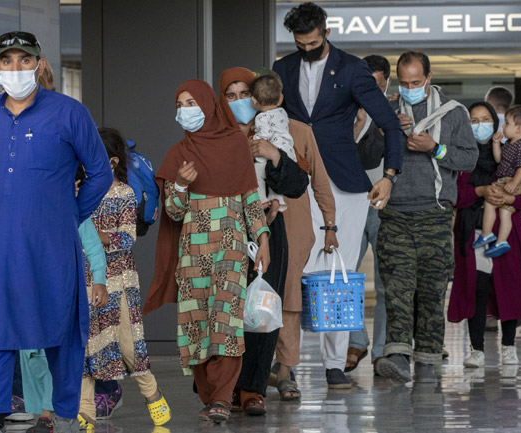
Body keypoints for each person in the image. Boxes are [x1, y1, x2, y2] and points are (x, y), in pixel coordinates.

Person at [0, 31, 112, 433]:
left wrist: (68, 215)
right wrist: (6, 210)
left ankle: (65, 413)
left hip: (51, 245)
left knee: (60, 326)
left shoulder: (69, 113)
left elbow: (101, 173)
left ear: (40, 64)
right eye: (8, 61)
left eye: (25, 60)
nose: (17, 69)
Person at [273, 1, 403, 389]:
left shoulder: (352, 68)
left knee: (339, 276)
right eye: (300, 44)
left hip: (346, 186)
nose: (307, 50)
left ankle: (334, 366)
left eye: (313, 43)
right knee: (291, 270)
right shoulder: (283, 68)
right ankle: (286, 364)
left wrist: (390, 176)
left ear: (326, 33)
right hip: (296, 181)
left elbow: (390, 124)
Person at [145, 79, 271, 424]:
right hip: (191, 253)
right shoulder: (178, 153)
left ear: (208, 105)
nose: (185, 110)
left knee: (226, 323)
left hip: (229, 249)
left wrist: (263, 239)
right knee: (196, 324)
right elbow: (172, 211)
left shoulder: (234, 144)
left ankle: (221, 397)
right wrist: (182, 184)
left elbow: (249, 197)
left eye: (191, 103)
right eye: (180, 104)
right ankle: (208, 395)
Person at [374, 51, 477, 384]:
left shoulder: (454, 113)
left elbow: (468, 160)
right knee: (398, 290)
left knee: (432, 292)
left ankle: (429, 359)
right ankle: (398, 356)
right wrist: (386, 130)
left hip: (435, 214)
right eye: (404, 83)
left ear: (429, 78)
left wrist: (435, 147)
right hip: (396, 214)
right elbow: (366, 154)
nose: (410, 88)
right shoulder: (387, 112)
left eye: (416, 82)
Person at [217, 67, 312, 414]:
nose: (240, 102)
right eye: (231, 95)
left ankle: (253, 389)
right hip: (225, 230)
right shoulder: (215, 135)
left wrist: (273, 154)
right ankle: (223, 387)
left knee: (262, 309)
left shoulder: (277, 130)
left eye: (245, 94)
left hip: (271, 230)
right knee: (226, 310)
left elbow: (297, 185)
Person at [78, 128, 170, 429]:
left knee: (129, 345)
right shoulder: (77, 192)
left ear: (113, 161)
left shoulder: (124, 193)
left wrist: (96, 236)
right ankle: (85, 411)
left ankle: (151, 392)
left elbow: (128, 238)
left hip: (119, 282)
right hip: (84, 279)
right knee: (86, 345)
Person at [447, 101, 521, 369]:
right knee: (476, 290)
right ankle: (477, 348)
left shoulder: (512, 152)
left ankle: (509, 346)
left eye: (485, 119)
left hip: (507, 234)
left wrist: (510, 197)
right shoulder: (461, 157)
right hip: (472, 233)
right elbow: (453, 195)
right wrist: (480, 191)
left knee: (509, 288)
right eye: (474, 121)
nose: (480, 126)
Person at [346, 54, 391, 374]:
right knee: (345, 277)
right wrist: (359, 125)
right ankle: (357, 341)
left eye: (376, 84)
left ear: (387, 83)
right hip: (350, 203)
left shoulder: (397, 114)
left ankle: (382, 351)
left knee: (387, 282)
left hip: (384, 206)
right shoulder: (346, 112)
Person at [473, 105, 521, 258]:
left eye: (507, 123)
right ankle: (501, 241)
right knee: (504, 211)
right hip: (508, 180)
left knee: (490, 202)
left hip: (513, 182)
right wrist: (496, 143)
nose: (503, 126)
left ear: (518, 128)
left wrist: (513, 183)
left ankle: (487, 234)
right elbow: (499, 159)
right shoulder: (509, 144)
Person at [251, 72, 298, 211]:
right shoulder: (282, 112)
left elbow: (265, 134)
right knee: (275, 176)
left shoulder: (261, 117)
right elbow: (275, 126)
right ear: (280, 99)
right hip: (288, 152)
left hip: (272, 152)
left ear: (254, 100)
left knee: (257, 172)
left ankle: (262, 199)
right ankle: (277, 197)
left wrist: (254, 138)